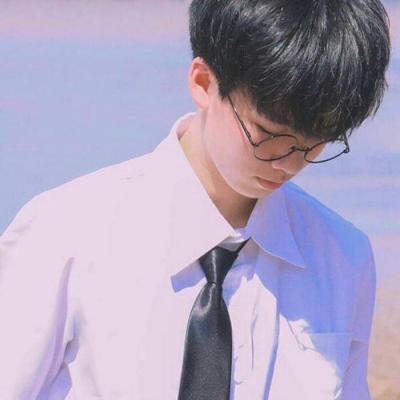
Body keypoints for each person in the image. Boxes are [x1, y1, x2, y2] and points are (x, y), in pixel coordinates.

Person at [0, 0, 391, 399]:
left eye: (314, 143)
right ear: (204, 83)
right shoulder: (64, 235)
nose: (289, 163)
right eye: (268, 135)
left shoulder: (342, 259)